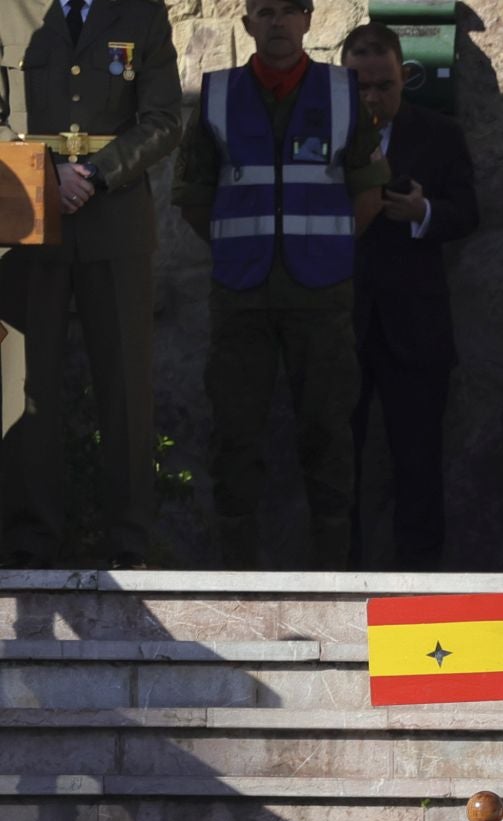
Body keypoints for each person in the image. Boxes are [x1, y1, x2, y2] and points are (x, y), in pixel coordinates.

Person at [172, 0, 387, 570]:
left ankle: (332, 578)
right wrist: (241, 247)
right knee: (234, 438)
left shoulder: (344, 92)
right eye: (265, 11)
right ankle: (237, 581)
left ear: (309, 20)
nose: (278, 23)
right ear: (246, 25)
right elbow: (193, 197)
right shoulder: (216, 95)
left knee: (328, 435)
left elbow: (368, 192)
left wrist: (328, 247)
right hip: (241, 296)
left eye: (290, 11)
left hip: (321, 296)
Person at [0, 0, 183, 569]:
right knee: (25, 390)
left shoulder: (142, 13)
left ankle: (128, 543)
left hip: (115, 220)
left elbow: (164, 119)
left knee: (125, 386)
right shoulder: (7, 10)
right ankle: (31, 541)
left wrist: (97, 175)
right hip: (27, 219)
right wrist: (44, 173)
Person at [342, 21, 477, 571]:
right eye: (360, 86)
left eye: (384, 85)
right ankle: (337, 574)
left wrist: (423, 213)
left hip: (414, 322)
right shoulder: (324, 133)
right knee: (336, 461)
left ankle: (421, 583)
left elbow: (468, 212)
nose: (373, 97)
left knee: (418, 461)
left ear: (404, 78)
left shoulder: (439, 134)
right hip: (341, 319)